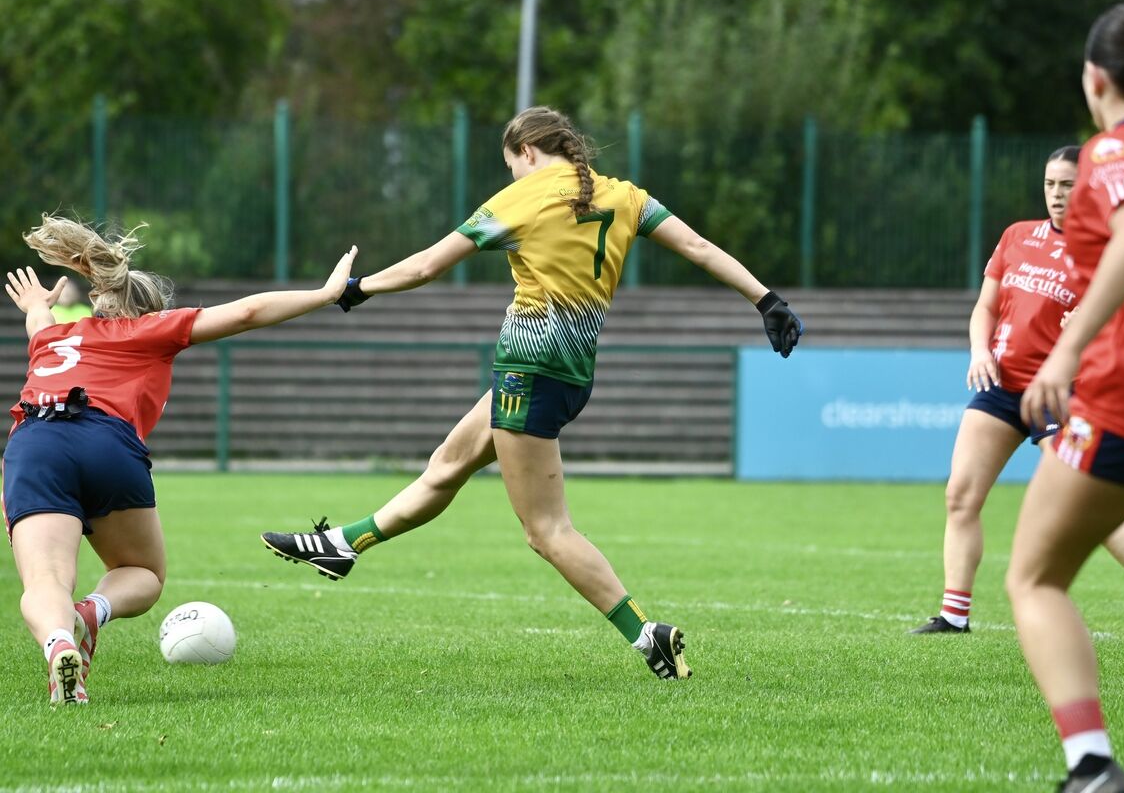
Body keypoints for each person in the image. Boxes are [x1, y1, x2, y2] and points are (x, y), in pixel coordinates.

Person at [261, 106, 803, 680]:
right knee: (447, 465)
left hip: (528, 371)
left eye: (511, 164)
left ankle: (647, 634)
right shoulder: (626, 196)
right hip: (569, 374)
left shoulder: (522, 198)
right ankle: (343, 546)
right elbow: (698, 247)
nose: (513, 174)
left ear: (527, 151)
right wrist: (767, 300)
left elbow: (425, 267)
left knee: (546, 531)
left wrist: (357, 289)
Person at [5, 214, 356, 705]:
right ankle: (90, 614)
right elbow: (248, 311)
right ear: (149, 311)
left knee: (46, 579)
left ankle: (59, 642)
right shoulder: (150, 331)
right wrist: (324, 294)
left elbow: (39, 327)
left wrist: (37, 306)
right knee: (145, 575)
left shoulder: (54, 337)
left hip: (35, 442)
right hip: (106, 442)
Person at [1005, 4, 1124, 792]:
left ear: (1095, 79)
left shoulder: (1117, 148)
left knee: (1034, 578)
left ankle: (1090, 766)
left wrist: (1067, 349)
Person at [911, 146, 1124, 638]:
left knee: (1086, 506)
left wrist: (1088, 331)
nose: (1057, 194)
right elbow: (986, 308)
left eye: (1068, 185)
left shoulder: (1105, 251)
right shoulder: (1017, 235)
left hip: (1058, 393)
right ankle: (954, 615)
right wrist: (979, 351)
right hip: (1001, 386)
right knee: (960, 495)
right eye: (1050, 184)